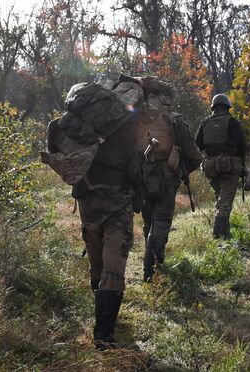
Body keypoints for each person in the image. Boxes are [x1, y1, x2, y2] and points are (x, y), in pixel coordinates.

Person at [73, 103, 139, 350]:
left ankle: (101, 320)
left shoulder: (84, 127)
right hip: (117, 206)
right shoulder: (128, 130)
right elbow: (135, 172)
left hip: (88, 205)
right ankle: (103, 335)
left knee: (97, 262)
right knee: (113, 268)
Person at [138, 78, 202, 283]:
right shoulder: (175, 121)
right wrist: (183, 170)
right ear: (167, 98)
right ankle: (153, 264)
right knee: (162, 221)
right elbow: (193, 154)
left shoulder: (137, 117)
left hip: (141, 176)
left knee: (148, 221)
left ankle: (151, 259)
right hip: (166, 176)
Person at [195, 94, 246, 239]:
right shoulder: (232, 122)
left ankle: (226, 234)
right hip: (229, 166)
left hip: (210, 166)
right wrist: (241, 162)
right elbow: (242, 145)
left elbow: (197, 145)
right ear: (227, 106)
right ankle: (219, 236)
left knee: (220, 197)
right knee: (225, 201)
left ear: (213, 107)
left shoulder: (205, 123)